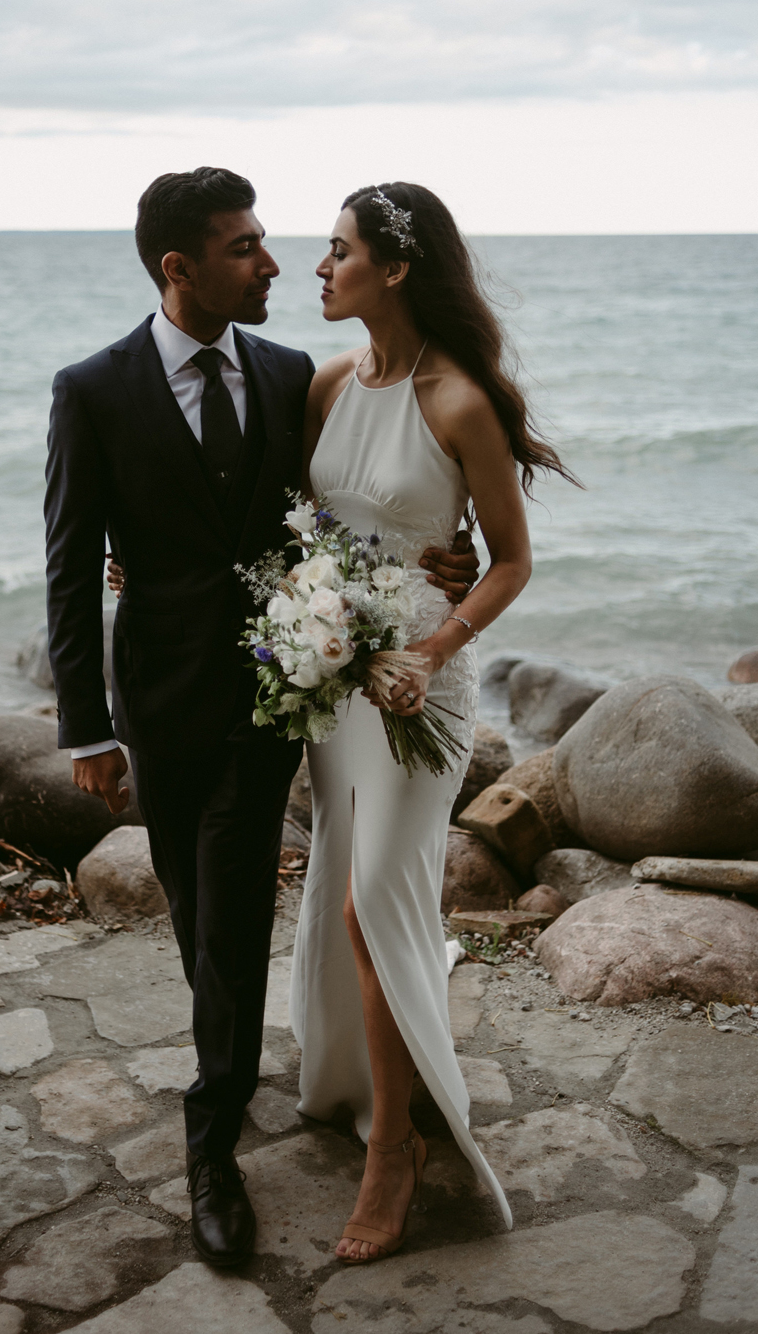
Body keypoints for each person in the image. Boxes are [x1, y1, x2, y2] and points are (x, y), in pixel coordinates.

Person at [43, 167, 476, 1269]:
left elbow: (359, 500)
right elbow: (64, 564)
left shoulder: (295, 376)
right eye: (243, 248)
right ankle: (233, 1058)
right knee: (198, 918)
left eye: (271, 240)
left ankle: (211, 1139)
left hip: (280, 694)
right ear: (176, 267)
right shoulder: (92, 388)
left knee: (235, 900)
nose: (273, 262)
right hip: (159, 695)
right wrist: (86, 728)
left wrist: (447, 558)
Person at [292, 182, 570, 1262]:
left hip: (417, 691)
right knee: (337, 885)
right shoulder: (323, 385)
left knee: (376, 901)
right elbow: (297, 526)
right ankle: (353, 1081)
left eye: (335, 251)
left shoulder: (458, 401)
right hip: (333, 680)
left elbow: (507, 559)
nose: (317, 268)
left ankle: (396, 1149)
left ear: (394, 268)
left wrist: (432, 645)